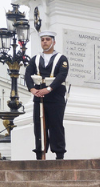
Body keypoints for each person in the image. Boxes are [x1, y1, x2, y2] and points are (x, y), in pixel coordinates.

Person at [24, 30, 68, 160]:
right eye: (43, 40)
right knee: (39, 125)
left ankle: (59, 154)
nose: (45, 42)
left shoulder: (61, 59)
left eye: (48, 39)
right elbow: (27, 74)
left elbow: (61, 76)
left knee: (56, 125)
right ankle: (40, 153)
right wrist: (32, 89)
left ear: (53, 42)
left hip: (55, 97)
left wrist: (49, 88)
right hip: (39, 96)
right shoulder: (35, 59)